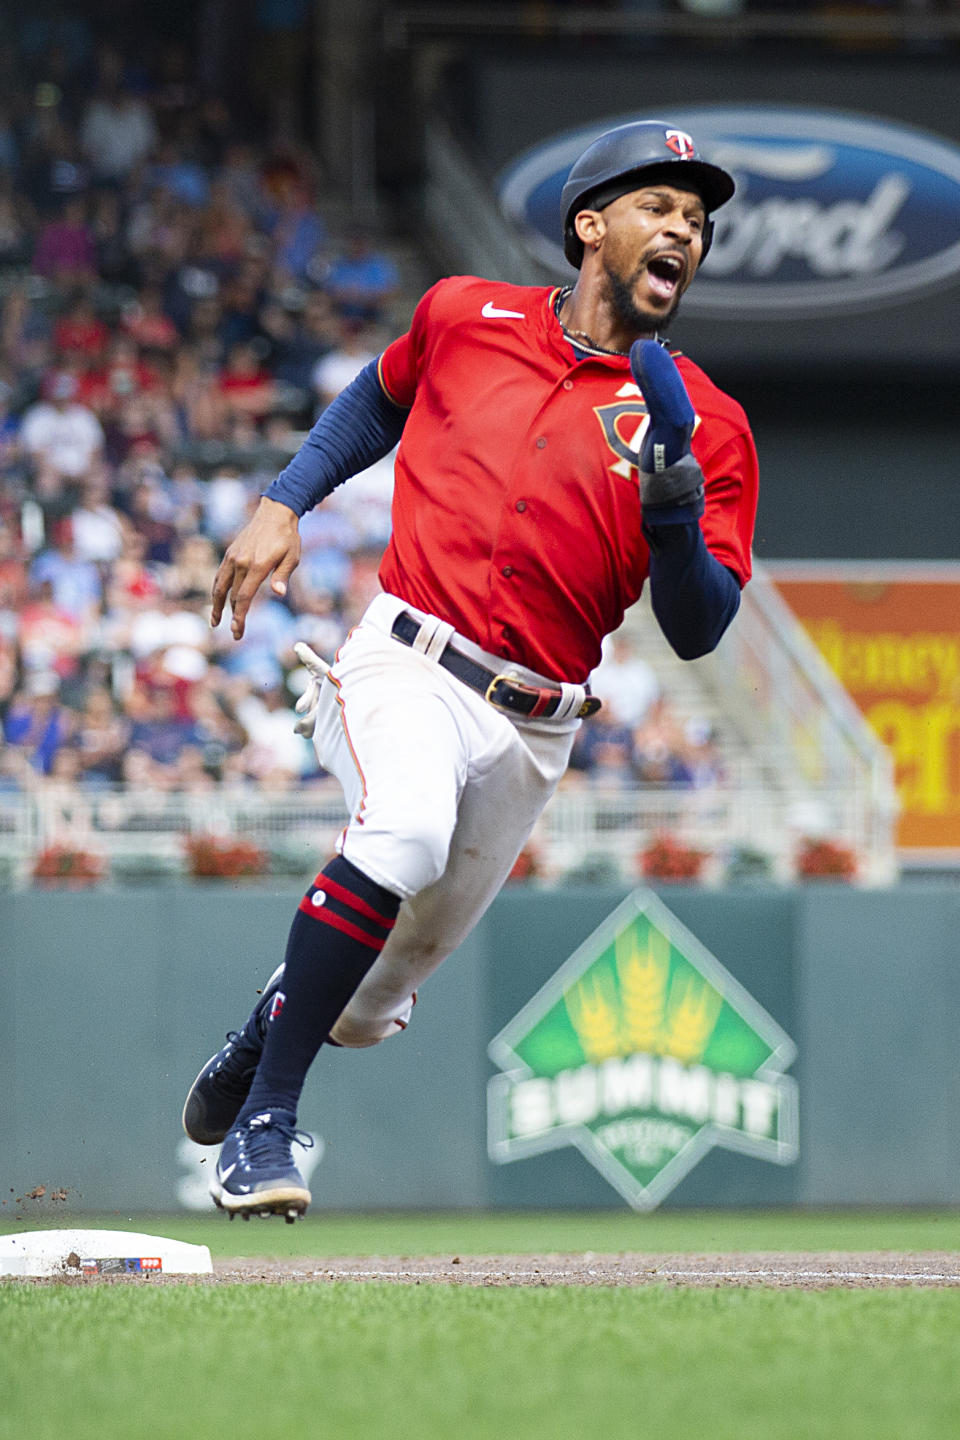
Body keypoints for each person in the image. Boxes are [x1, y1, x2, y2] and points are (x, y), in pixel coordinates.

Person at [182, 120, 759, 1220]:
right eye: (660, 206)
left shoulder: (712, 425)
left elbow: (698, 630)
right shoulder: (466, 312)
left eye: (697, 220)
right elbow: (374, 401)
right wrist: (282, 501)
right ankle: (263, 1129)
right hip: (409, 658)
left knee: (364, 1002)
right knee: (398, 831)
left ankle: (269, 1024)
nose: (683, 227)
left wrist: (677, 526)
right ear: (592, 227)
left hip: (536, 723)